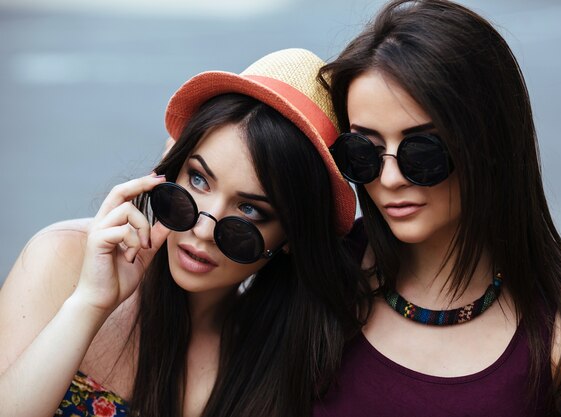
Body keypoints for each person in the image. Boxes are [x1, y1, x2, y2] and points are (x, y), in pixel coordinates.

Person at [0, 48, 361, 417]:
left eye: (250, 209)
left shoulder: (278, 363)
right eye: (199, 179)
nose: (203, 229)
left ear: (290, 241)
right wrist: (89, 304)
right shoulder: (62, 260)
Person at [315, 1, 561, 416]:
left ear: (489, 144)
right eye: (363, 152)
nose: (389, 179)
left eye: (422, 151)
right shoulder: (320, 276)